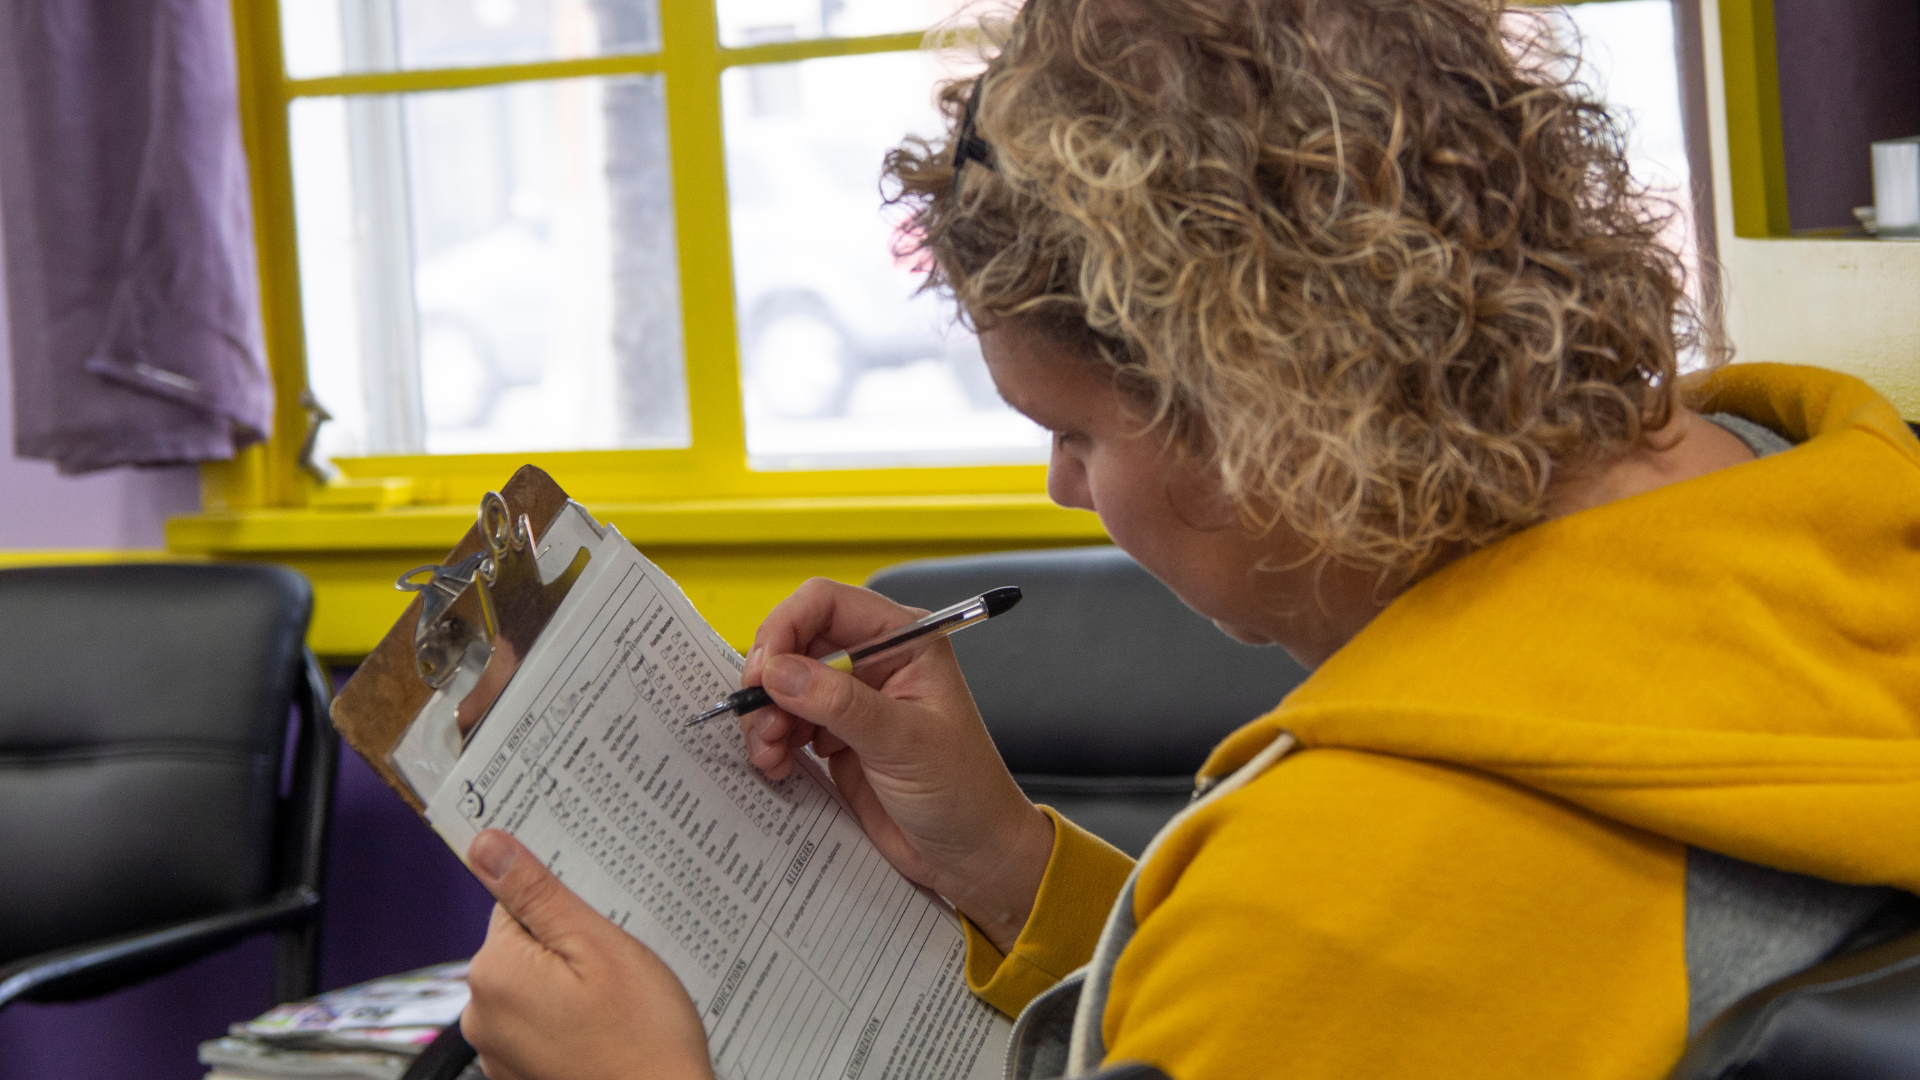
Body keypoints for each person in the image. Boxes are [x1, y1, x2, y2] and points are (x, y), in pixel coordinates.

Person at [454, 0, 1920, 1077]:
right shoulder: (1835, 496)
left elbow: (1337, 961)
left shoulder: (1336, 892)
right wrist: (1024, 875)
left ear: (1270, 405)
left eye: (1076, 431)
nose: (1061, 491)